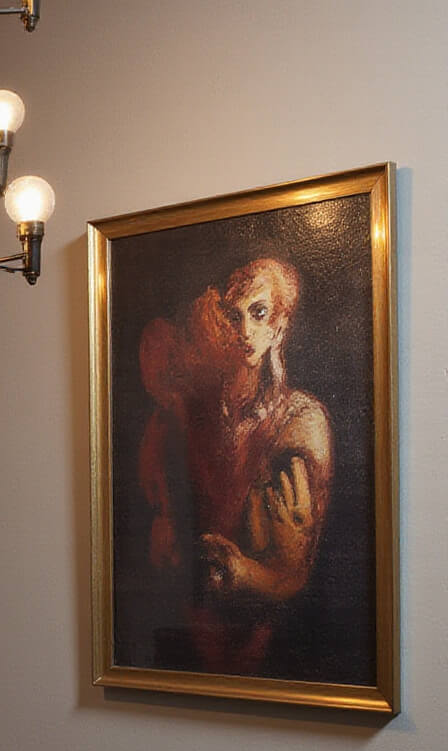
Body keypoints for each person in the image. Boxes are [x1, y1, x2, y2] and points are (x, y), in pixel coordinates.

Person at [137, 256, 332, 673]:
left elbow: (292, 572)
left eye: (258, 314)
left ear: (280, 323)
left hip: (261, 637)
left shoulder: (300, 420)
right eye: (233, 315)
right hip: (187, 625)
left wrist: (242, 572)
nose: (245, 331)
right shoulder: (198, 410)